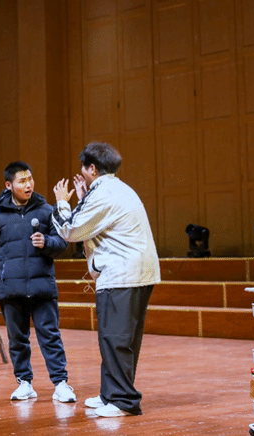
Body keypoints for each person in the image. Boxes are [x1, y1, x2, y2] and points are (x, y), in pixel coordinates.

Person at [51, 142, 161, 418]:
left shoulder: (104, 194)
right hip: (135, 272)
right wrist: (84, 198)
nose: (81, 172)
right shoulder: (115, 188)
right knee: (118, 338)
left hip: (122, 275)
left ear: (91, 168)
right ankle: (110, 394)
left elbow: (71, 230)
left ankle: (123, 401)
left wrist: (62, 202)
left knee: (115, 338)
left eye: (83, 167)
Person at [0, 161, 76, 403]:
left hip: (42, 287)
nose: (28, 184)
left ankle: (60, 384)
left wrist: (47, 243)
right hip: (11, 288)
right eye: (22, 181)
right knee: (17, 339)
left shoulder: (46, 211)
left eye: (30, 179)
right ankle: (24, 383)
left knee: (50, 336)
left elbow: (62, 242)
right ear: (9, 185)